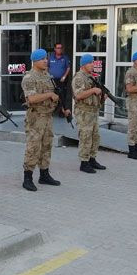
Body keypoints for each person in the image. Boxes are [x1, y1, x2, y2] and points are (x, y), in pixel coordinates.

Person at [20, 48, 64, 191]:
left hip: (47, 116)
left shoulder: (47, 76)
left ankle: (44, 174)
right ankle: (27, 178)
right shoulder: (29, 78)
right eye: (42, 59)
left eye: (46, 58)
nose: (46, 61)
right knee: (33, 147)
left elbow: (55, 93)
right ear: (35, 61)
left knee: (46, 145)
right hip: (35, 117)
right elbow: (31, 99)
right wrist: (49, 95)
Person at [73, 54, 106, 173]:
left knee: (95, 137)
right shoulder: (79, 77)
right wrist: (93, 90)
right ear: (84, 64)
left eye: (93, 62)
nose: (93, 65)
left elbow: (95, 94)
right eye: (90, 62)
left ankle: (92, 159)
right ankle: (84, 162)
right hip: (83, 112)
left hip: (93, 111)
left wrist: (103, 96)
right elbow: (78, 95)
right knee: (85, 137)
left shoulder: (91, 77)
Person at [48, 43, 72, 113]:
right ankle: (52, 110)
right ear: (55, 49)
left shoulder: (65, 57)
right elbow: (47, 67)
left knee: (62, 95)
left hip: (62, 80)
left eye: (61, 48)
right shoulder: (51, 57)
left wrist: (64, 76)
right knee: (52, 94)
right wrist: (48, 76)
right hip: (52, 80)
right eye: (58, 48)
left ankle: (62, 111)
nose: (59, 49)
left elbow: (68, 68)